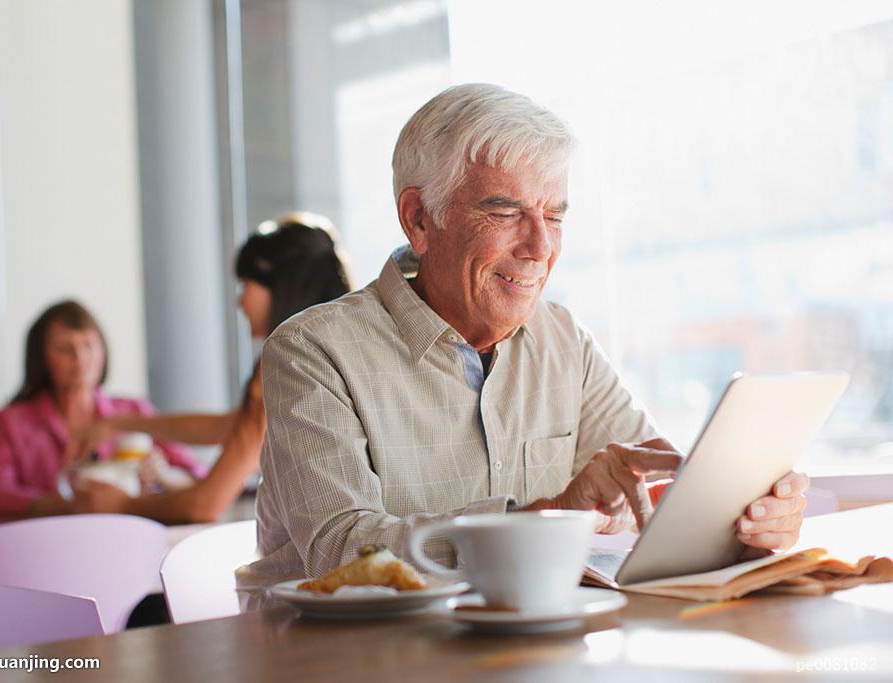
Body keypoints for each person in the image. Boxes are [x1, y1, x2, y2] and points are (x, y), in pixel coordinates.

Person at [243, 83, 809, 588]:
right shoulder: (313, 351)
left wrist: (737, 518)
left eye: (554, 216)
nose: (540, 247)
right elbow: (341, 555)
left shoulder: (562, 338)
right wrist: (544, 517)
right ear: (419, 220)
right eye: (506, 212)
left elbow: (652, 488)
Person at [65, 214, 353, 523]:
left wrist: (120, 505)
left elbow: (204, 505)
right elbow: (230, 426)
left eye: (245, 284)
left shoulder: (285, 366)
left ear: (279, 286)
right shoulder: (329, 351)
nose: (240, 302)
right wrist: (121, 424)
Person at [0, 300, 202, 518]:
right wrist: (67, 505)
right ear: (41, 358)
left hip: (129, 534)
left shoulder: (134, 411)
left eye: (89, 345)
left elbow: (199, 477)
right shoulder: (13, 422)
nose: (80, 358)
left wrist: (164, 476)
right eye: (64, 348)